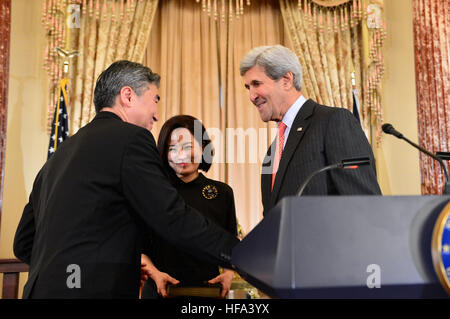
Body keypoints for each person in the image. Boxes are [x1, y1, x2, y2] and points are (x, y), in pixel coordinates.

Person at [13, 60, 239, 299]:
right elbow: (172, 216)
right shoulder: (132, 139)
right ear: (128, 96)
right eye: (155, 99)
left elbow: (24, 243)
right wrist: (245, 256)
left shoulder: (61, 153)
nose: (157, 114)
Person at [240, 45, 382, 215]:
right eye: (248, 87)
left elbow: (365, 204)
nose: (252, 96)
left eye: (257, 84)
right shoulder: (273, 151)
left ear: (286, 80)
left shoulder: (333, 121)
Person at [141, 115, 237, 299]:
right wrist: (154, 273)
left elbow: (230, 242)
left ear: (203, 148)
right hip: (160, 291)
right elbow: (138, 245)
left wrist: (228, 273)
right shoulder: (151, 192)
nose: (181, 155)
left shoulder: (222, 193)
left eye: (188, 147)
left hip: (206, 293)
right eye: (172, 148)